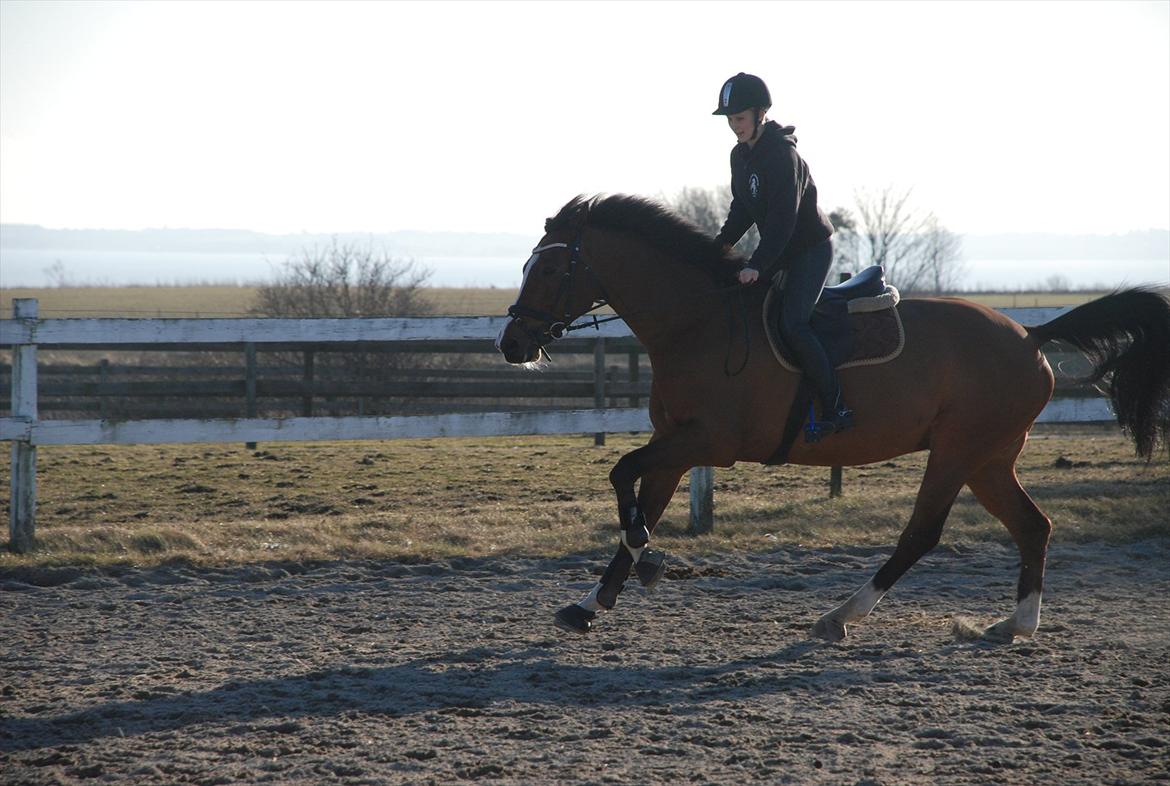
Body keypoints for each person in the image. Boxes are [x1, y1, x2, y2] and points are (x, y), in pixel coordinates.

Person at [712, 71, 854, 438]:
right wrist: (717, 248)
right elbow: (742, 210)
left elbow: (782, 223)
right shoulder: (739, 156)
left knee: (793, 323)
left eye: (739, 119)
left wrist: (757, 266)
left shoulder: (782, 157)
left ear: (760, 114)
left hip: (809, 250)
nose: (734, 127)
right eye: (729, 120)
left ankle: (836, 407)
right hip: (780, 251)